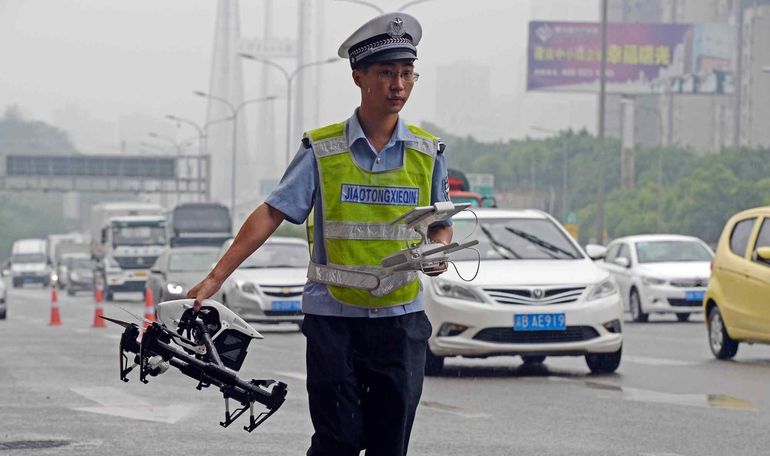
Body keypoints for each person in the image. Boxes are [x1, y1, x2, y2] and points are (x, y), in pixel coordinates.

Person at [187, 12, 452, 456]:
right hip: (334, 322)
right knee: (339, 441)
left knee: (391, 445)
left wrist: (438, 248)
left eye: (407, 74)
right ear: (358, 77)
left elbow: (441, 223)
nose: (398, 85)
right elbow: (272, 212)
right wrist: (216, 279)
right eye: (386, 73)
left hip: (401, 321)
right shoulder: (322, 150)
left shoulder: (429, 152)